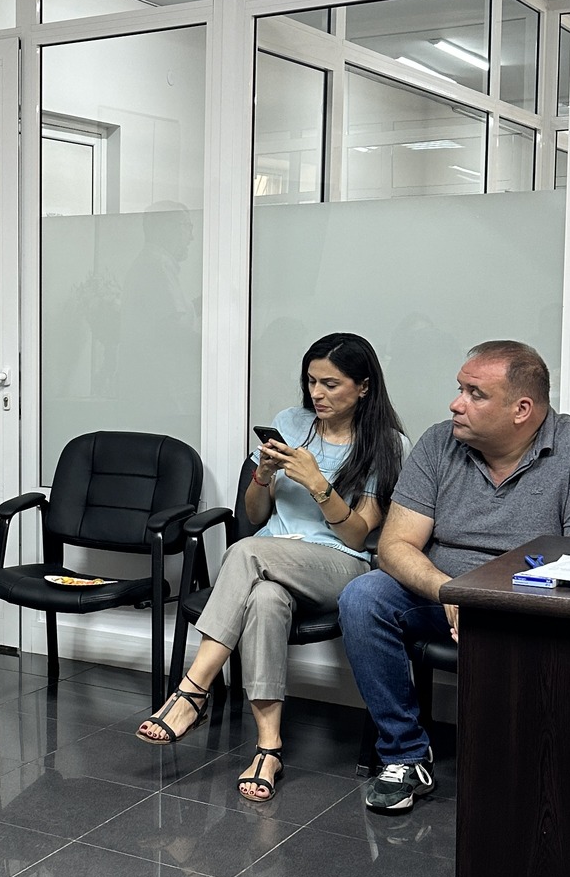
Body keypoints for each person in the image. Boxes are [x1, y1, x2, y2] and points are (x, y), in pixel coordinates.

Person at [339, 338, 570, 816]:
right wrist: (449, 593)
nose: (456, 404)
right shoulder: (438, 442)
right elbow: (395, 546)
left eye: (475, 394)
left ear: (521, 409)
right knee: (363, 597)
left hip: (528, 600)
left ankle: (537, 764)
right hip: (442, 593)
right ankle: (405, 754)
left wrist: (489, 600)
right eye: (460, 389)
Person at [136, 333, 405, 802]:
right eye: (311, 382)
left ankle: (192, 691)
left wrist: (319, 485)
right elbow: (256, 514)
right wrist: (263, 475)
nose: (317, 393)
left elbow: (358, 535)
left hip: (339, 565)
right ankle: (269, 749)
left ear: (363, 386)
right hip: (270, 559)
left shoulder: (387, 444)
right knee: (264, 598)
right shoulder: (290, 422)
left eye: (331, 384)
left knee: (245, 553)